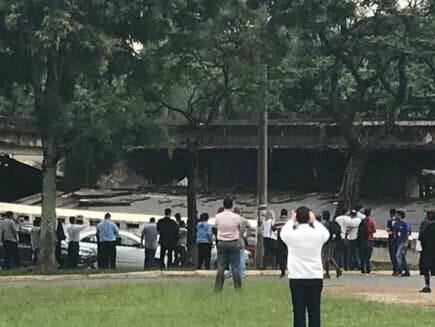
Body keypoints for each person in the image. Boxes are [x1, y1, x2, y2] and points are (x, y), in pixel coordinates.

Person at [281, 207, 330, 327]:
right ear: (309, 217)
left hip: (297, 277)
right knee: (314, 310)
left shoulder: (292, 235)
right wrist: (315, 222)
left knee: (298, 310)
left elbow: (283, 233)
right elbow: (326, 234)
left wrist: (291, 220)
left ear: (296, 217)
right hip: (315, 275)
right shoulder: (317, 234)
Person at [214, 198, 243, 291]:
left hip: (221, 242)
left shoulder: (218, 216)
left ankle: (218, 286)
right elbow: (240, 228)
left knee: (221, 266)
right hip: (233, 242)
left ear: (223, 205)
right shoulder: (236, 217)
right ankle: (237, 287)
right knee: (235, 266)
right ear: (231, 205)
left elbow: (216, 227)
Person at [321, 210, 342, 279]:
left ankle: (327, 273)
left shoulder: (325, 224)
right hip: (332, 241)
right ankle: (338, 269)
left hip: (327, 242)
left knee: (326, 257)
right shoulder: (331, 223)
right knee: (329, 257)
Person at [419, 211, 435, 293]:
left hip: (427, 251)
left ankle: (427, 286)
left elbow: (421, 238)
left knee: (426, 270)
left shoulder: (426, 227)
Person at [358, 209, 376, 275]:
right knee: (367, 256)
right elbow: (374, 230)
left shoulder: (361, 221)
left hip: (362, 240)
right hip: (369, 239)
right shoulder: (371, 222)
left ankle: (363, 269)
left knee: (362, 255)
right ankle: (368, 269)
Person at [233, 207, 249, 279]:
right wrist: (246, 234)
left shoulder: (231, 220)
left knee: (232, 258)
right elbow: (250, 227)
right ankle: (242, 273)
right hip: (241, 239)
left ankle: (232, 273)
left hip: (233, 240)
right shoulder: (244, 220)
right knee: (241, 258)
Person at [393, 210, 410, 277]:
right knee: (402, 256)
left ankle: (400, 270)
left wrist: (406, 242)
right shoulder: (396, 223)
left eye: (397, 215)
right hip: (398, 241)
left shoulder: (404, 223)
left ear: (400, 215)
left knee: (398, 255)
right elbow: (395, 232)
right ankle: (406, 271)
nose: (395, 216)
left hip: (403, 241)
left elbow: (408, 233)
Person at [273, 209, 289, 278]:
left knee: (281, 256)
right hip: (288, 240)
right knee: (289, 255)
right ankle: (290, 270)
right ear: (286, 214)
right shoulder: (289, 221)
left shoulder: (277, 221)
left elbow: (273, 229)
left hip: (280, 240)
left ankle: (282, 272)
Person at [386, 208, 397, 275]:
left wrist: (390, 232)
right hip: (397, 240)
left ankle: (395, 269)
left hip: (391, 239)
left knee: (392, 255)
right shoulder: (399, 221)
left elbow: (388, 230)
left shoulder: (390, 221)